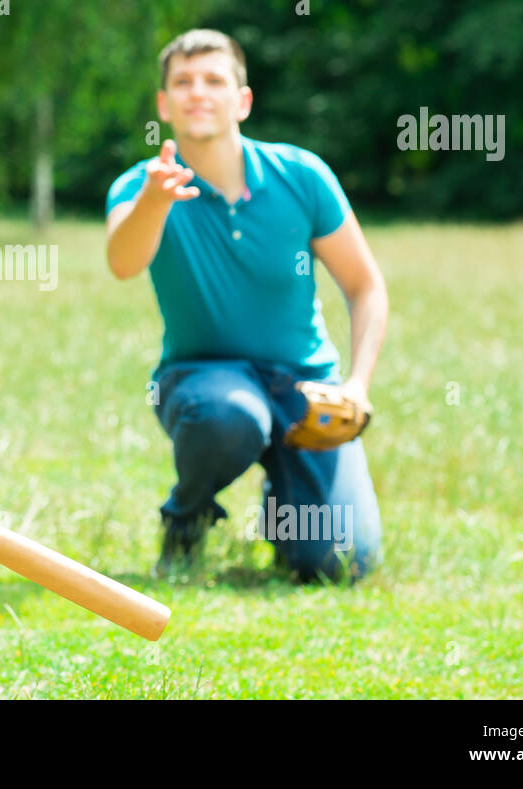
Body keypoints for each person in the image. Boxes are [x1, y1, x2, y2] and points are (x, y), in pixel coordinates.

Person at [105, 29, 388, 583]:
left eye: (214, 80)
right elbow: (122, 260)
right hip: (201, 381)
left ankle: (285, 504)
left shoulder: (301, 176)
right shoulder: (142, 185)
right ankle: (186, 521)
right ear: (164, 105)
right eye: (182, 83)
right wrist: (155, 202)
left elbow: (364, 286)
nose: (198, 93)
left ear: (244, 100)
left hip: (305, 389)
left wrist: (357, 384)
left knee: (338, 565)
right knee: (231, 417)